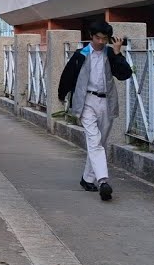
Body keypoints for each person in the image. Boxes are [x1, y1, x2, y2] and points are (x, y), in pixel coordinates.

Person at [57, 21, 134, 201]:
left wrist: (117, 52)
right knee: (94, 140)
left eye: (104, 39)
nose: (100, 42)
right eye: (97, 38)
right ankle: (103, 181)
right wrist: (62, 96)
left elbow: (125, 74)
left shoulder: (110, 53)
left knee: (100, 142)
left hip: (106, 102)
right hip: (87, 101)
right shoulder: (81, 55)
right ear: (91, 36)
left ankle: (87, 178)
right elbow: (67, 76)